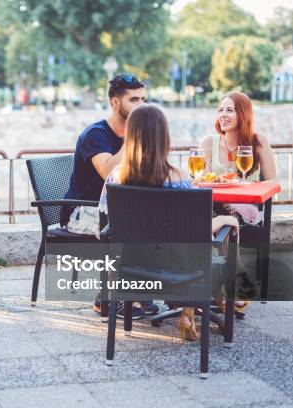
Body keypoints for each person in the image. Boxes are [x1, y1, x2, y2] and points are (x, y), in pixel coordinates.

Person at [98, 104, 239, 342]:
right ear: (164, 137)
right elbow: (197, 229)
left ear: (130, 136)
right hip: (178, 269)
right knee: (200, 243)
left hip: (133, 268)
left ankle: (184, 313)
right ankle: (188, 312)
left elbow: (107, 223)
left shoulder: (116, 177)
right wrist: (226, 219)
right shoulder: (178, 177)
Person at [60, 73, 152, 318]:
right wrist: (133, 136)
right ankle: (109, 297)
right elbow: (109, 172)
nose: (140, 106)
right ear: (115, 103)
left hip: (118, 207)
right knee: (129, 225)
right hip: (81, 210)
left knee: (156, 219)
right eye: (134, 100)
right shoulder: (96, 134)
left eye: (143, 100)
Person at [200, 91, 277, 226]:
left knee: (224, 220)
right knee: (213, 217)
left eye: (229, 110)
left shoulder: (258, 142)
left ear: (243, 114)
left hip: (244, 208)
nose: (223, 115)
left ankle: (218, 240)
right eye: (220, 110)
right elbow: (201, 182)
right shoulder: (208, 143)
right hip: (213, 206)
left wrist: (249, 186)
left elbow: (273, 182)